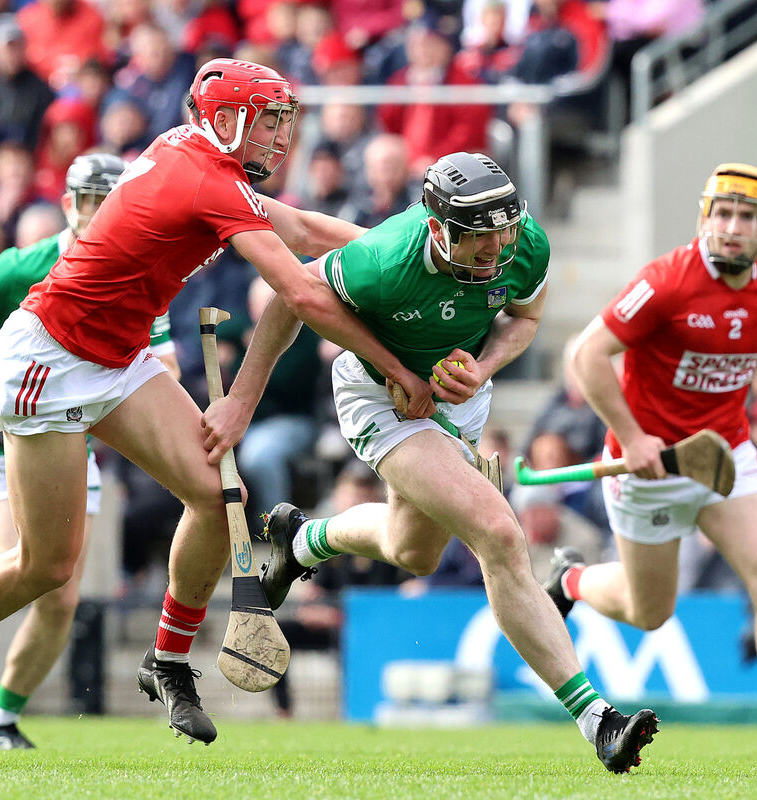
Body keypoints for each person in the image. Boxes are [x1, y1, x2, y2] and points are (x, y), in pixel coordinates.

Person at [0, 58, 434, 751]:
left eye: (283, 126)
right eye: (267, 124)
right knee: (46, 567)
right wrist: (398, 364)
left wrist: (414, 251)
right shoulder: (206, 175)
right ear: (225, 121)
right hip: (50, 359)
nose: (280, 141)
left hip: (116, 356)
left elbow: (306, 228)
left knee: (214, 492)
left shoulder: (198, 154)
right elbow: (304, 292)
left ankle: (167, 659)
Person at [204, 151, 659, 774]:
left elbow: (524, 318)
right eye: (479, 236)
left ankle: (301, 540)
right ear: (439, 227)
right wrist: (245, 402)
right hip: (379, 400)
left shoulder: (522, 243)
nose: (496, 249)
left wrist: (483, 369)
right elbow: (292, 296)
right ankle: (597, 719)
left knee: (412, 549)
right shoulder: (386, 260)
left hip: (459, 396)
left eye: (503, 230)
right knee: (498, 532)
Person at [552, 163, 757, 759]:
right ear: (704, 218)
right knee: (650, 613)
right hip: (650, 467)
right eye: (723, 213)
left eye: (746, 217)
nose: (732, 227)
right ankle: (571, 580)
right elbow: (588, 357)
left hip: (724, 456)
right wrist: (631, 437)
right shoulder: (666, 282)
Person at [0, 154, 159, 750]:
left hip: (75, 439)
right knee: (24, 562)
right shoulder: (26, 264)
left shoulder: (136, 269)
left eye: (111, 200)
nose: (100, 213)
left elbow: (161, 360)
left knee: (61, 594)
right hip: (2, 436)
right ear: (68, 203)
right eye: (90, 200)